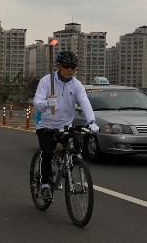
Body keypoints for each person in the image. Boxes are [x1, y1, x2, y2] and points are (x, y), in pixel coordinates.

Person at [33, 50, 99, 201]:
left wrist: (92, 121)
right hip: (45, 125)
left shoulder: (77, 85)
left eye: (73, 67)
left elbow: (85, 103)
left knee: (75, 147)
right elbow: (36, 103)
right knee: (47, 153)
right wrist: (47, 104)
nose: (70, 70)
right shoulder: (47, 81)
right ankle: (44, 184)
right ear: (59, 66)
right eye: (66, 66)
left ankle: (66, 169)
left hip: (65, 124)